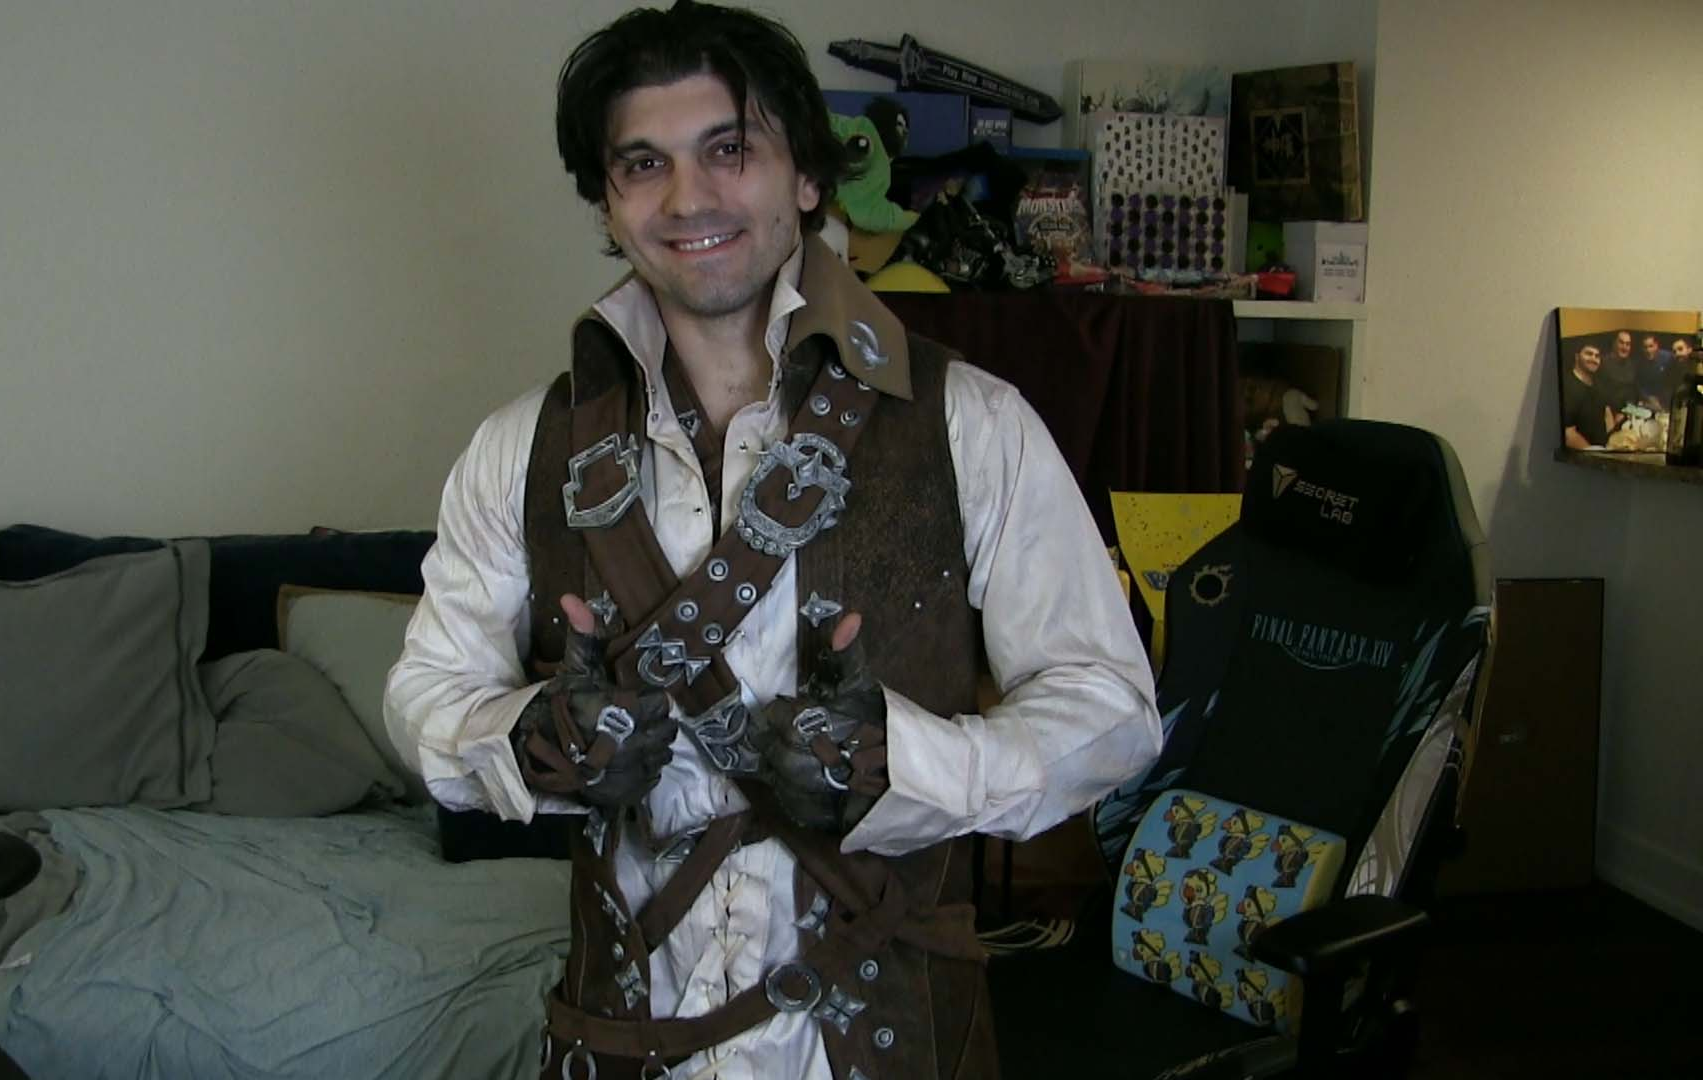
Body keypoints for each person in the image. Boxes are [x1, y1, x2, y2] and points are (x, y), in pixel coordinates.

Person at [383, 3, 1160, 1077]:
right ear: (609, 203)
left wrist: (907, 761)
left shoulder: (970, 423)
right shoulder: (523, 446)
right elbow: (425, 695)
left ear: (805, 177)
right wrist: (532, 739)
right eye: (642, 164)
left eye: (730, 151)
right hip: (625, 1035)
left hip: (883, 1040)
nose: (689, 198)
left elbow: (1112, 711)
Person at [1562, 343, 1614, 449]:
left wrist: (1613, 442)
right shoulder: (1567, 386)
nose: (1593, 359)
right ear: (1577, 357)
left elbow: (1607, 413)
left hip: (1605, 449)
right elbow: (1568, 433)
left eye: (1597, 356)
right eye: (1589, 354)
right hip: (1582, 455)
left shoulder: (1598, 382)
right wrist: (1594, 452)